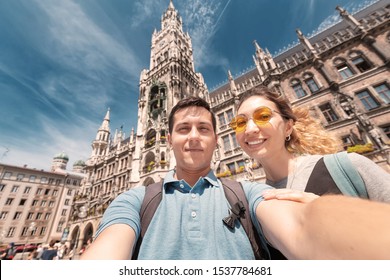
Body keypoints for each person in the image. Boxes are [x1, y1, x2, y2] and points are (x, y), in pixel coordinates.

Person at [81, 96, 390, 260]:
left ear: (218, 139)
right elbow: (108, 251)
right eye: (182, 129)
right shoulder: (136, 200)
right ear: (168, 139)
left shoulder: (247, 192)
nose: (193, 138)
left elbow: (302, 227)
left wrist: (332, 214)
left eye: (204, 129)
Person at [230, 86, 390, 203]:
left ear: (288, 127)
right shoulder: (257, 197)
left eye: (263, 116)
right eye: (240, 122)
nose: (250, 129)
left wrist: (331, 213)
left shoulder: (349, 167)